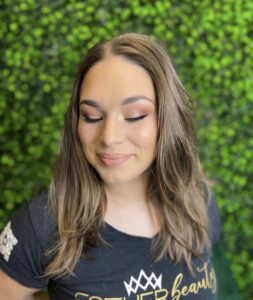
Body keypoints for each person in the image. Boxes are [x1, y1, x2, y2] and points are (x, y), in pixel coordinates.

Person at [0, 33, 221, 300]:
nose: (109, 137)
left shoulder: (198, 201)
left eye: (134, 116)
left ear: (168, 117)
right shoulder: (42, 227)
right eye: (91, 117)